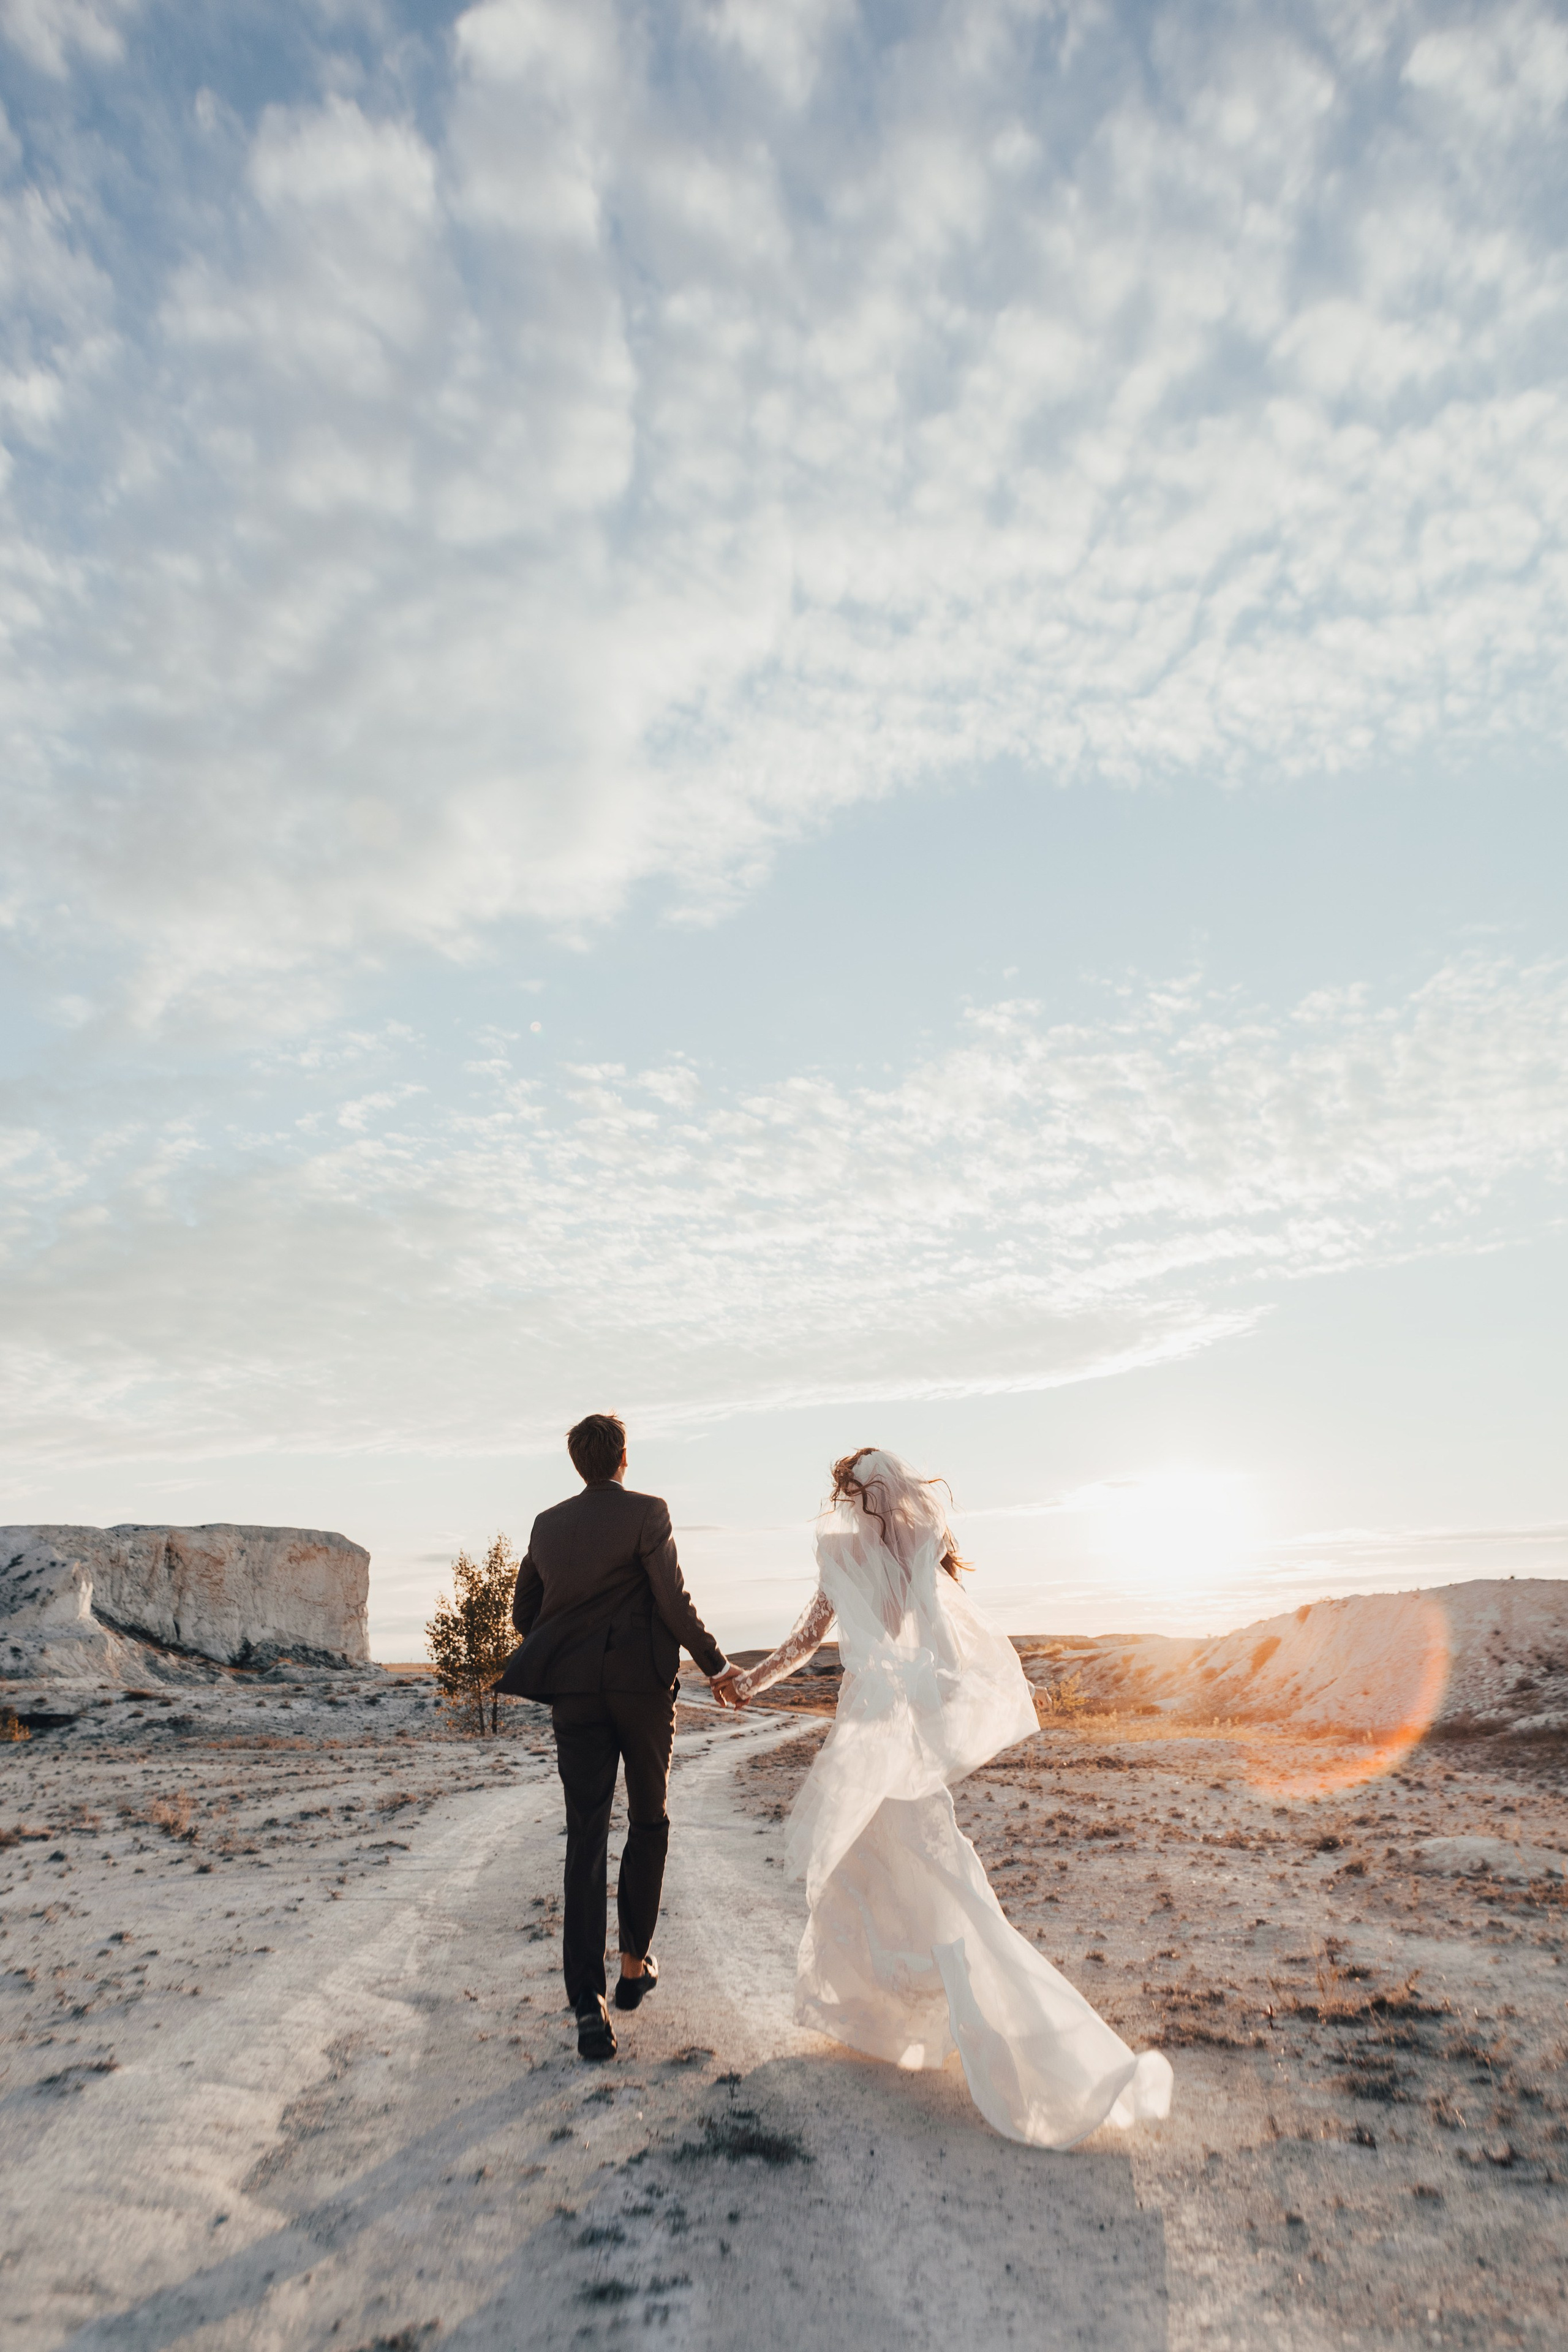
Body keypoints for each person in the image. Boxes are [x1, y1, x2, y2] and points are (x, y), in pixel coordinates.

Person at [728, 1447, 1173, 2149]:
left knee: (874, 1874)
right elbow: (942, 1652)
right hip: (898, 1735)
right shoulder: (918, 1556)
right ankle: (894, 2026)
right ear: (899, 1492)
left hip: (863, 1732)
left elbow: (806, 1641)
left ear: (849, 1495)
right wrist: (925, 1708)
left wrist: (747, 1682)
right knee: (919, 1874)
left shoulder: (839, 1554)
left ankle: (914, 2024)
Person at [500, 1413, 739, 2059]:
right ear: (623, 1458)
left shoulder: (548, 1525)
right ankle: (633, 1966)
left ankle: (588, 2006)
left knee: (585, 1839)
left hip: (575, 1696)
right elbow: (672, 1599)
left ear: (577, 1463)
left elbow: (525, 1614)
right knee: (649, 1821)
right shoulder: (648, 1512)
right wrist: (715, 1665)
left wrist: (576, 1641)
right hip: (640, 1692)